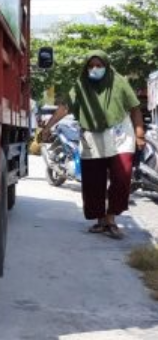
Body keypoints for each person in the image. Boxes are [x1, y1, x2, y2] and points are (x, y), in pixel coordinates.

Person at [39, 51, 145, 240]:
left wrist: (139, 134)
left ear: (106, 64)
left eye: (98, 65)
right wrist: (48, 126)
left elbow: (135, 108)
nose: (95, 69)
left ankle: (111, 218)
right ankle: (101, 220)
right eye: (91, 66)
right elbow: (65, 107)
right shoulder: (81, 85)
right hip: (91, 136)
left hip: (120, 135)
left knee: (121, 179)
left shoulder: (119, 82)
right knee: (93, 181)